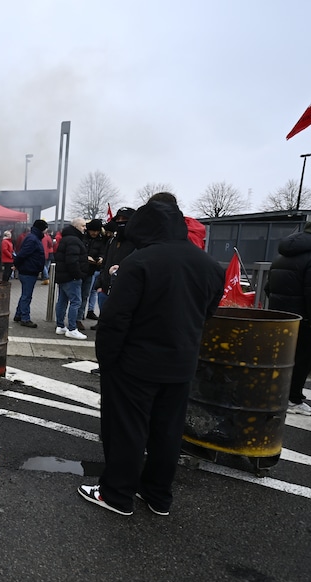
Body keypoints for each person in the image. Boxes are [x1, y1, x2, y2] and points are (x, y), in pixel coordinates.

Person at [80, 199, 224, 516]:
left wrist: (107, 362)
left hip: (135, 365)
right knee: (168, 432)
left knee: (127, 431)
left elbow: (115, 321)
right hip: (181, 364)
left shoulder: (139, 262)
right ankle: (157, 495)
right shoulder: (210, 266)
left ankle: (116, 494)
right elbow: (207, 314)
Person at [265, 219, 311, 417]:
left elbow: (268, 287)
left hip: (280, 316)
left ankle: (275, 394)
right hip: (304, 319)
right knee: (302, 360)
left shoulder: (283, 255)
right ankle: (294, 398)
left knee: (281, 358)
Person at [94, 206, 138, 307]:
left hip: (124, 293)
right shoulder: (111, 241)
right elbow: (104, 264)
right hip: (105, 292)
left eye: (124, 219)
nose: (120, 222)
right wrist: (100, 286)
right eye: (118, 219)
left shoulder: (137, 243)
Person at [53, 218, 89, 340]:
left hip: (63, 276)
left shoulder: (66, 239)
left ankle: (60, 325)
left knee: (62, 301)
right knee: (76, 302)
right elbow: (72, 260)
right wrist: (78, 274)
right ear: (76, 226)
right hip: (71, 277)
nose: (85, 228)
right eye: (83, 226)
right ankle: (72, 328)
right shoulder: (74, 240)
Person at [12, 219, 47, 328]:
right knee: (27, 296)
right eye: (45, 229)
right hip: (28, 271)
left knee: (24, 295)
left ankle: (18, 315)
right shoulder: (33, 239)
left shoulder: (32, 237)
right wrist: (16, 264)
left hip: (28, 270)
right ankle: (25, 318)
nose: (46, 232)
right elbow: (22, 254)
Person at [82, 219, 108, 321]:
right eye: (93, 231)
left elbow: (103, 251)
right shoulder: (84, 238)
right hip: (86, 269)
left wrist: (101, 258)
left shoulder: (101, 240)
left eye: (96, 231)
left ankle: (90, 310)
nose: (94, 233)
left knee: (93, 291)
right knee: (85, 292)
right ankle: (82, 312)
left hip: (96, 268)